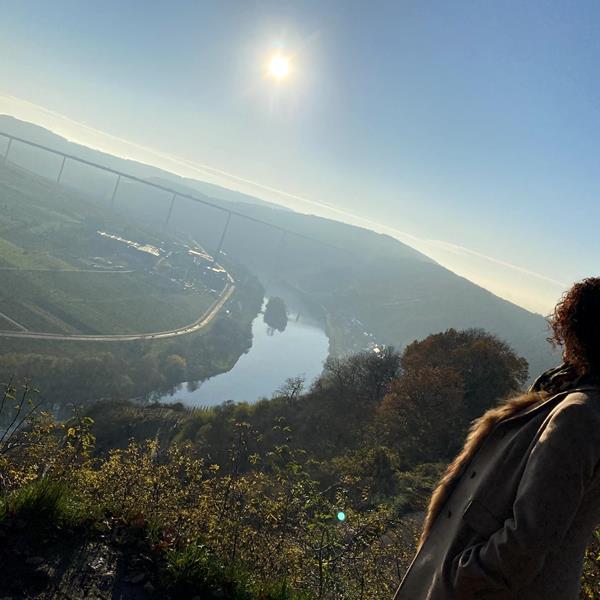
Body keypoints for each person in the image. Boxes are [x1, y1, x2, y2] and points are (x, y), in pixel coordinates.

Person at [394, 277, 600, 599]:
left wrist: (460, 576)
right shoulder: (576, 400)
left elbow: (528, 539)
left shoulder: (581, 414)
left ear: (576, 328)